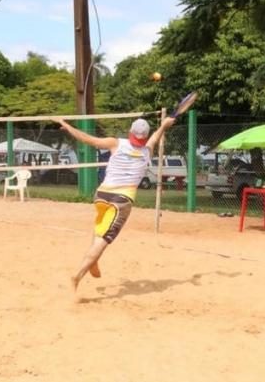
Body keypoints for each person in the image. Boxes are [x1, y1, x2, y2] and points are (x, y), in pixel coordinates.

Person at [55, 116, 176, 291]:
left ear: (130, 132)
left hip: (102, 195)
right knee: (103, 240)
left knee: (100, 229)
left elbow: (88, 139)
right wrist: (164, 126)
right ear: (145, 136)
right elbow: (155, 138)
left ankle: (93, 261)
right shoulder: (147, 152)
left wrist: (67, 126)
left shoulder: (116, 143)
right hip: (121, 200)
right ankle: (77, 275)